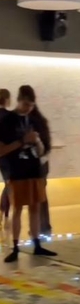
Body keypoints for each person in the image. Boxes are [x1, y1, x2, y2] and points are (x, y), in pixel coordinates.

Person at [0, 85, 56, 263]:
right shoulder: (8, 120)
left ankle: (37, 243)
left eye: (31, 105)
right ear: (18, 100)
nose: (28, 109)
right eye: (25, 104)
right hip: (16, 170)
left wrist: (38, 142)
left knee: (35, 207)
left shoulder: (35, 120)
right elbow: (2, 150)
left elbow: (42, 149)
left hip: (35, 170)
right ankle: (15, 246)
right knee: (17, 208)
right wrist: (22, 141)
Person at [29, 104, 51, 235]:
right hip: (44, 162)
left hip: (34, 163)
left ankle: (36, 228)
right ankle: (45, 226)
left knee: (35, 196)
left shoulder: (30, 125)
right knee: (42, 195)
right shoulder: (43, 123)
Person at [0, 88, 11, 235]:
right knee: (10, 185)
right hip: (7, 155)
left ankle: (3, 214)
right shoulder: (10, 117)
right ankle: (5, 214)